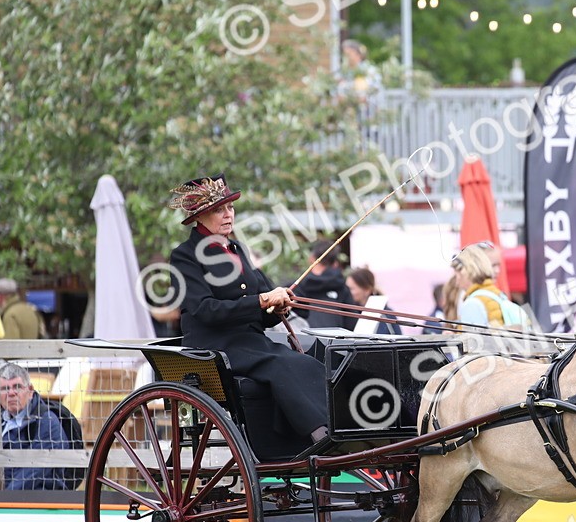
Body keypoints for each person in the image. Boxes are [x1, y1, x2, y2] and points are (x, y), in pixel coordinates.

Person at [167, 173, 329, 445]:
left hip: (251, 342)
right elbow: (205, 310)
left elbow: (262, 307)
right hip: (215, 346)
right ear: (199, 217)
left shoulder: (237, 248)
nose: (228, 214)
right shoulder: (185, 255)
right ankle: (319, 434)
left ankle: (314, 435)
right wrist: (263, 301)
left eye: (230, 207)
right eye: (219, 210)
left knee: (309, 361)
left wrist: (278, 307)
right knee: (282, 363)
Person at [0, 363, 69, 490]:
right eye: (5, 389)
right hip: (0, 495)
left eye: (17, 387)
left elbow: (34, 471)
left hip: (37, 495)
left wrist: (3, 499)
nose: (11, 393)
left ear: (30, 390)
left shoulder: (47, 421)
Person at [451, 242, 530, 331]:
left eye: (457, 275)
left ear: (466, 272)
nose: (457, 282)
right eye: (493, 265)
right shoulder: (496, 294)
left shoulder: (473, 303)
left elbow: (473, 342)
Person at [294, 242, 355, 331]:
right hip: (337, 343)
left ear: (311, 259)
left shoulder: (297, 288)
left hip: (304, 343)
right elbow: (352, 324)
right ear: (335, 263)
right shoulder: (343, 289)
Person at [345, 266, 403, 335]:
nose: (346, 292)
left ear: (367, 290)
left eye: (351, 289)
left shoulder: (386, 315)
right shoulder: (348, 313)